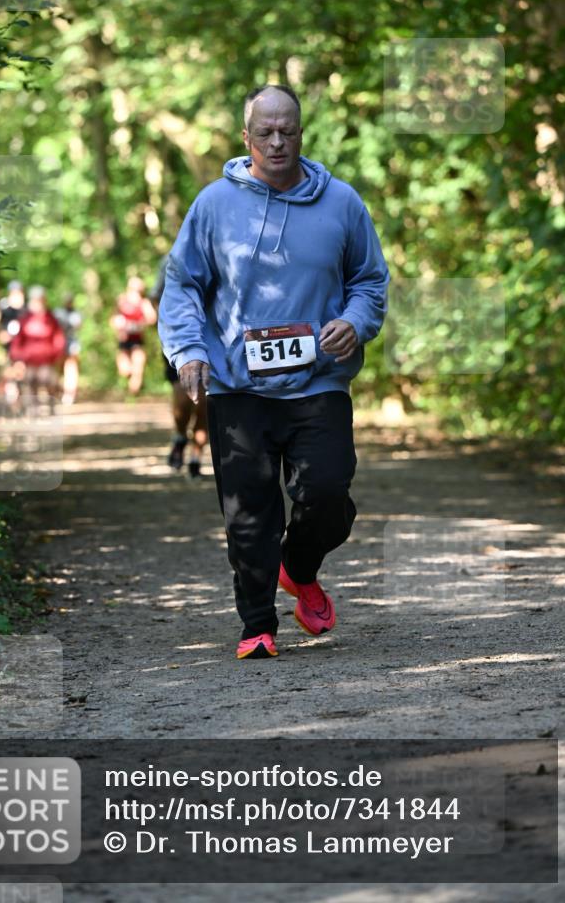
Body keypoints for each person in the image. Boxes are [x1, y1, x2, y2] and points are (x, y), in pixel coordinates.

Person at [159, 84, 390, 660]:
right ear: (247, 138)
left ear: (302, 133)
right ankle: (257, 625)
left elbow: (369, 280)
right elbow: (182, 285)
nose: (277, 141)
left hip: (320, 380)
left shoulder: (342, 202)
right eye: (265, 132)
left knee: (328, 493)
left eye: (287, 130)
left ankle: (299, 566)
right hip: (238, 386)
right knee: (248, 514)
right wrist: (189, 351)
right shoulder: (214, 204)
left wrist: (354, 322)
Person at [150, 254, 208, 479]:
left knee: (205, 402)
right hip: (180, 339)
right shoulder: (171, 260)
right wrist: (167, 325)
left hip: (212, 339)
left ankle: (196, 457)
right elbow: (155, 297)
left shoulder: (221, 253)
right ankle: (179, 436)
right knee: (184, 400)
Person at [9, 286, 65, 408]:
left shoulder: (50, 318)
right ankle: (33, 408)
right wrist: (17, 357)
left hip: (47, 359)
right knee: (31, 381)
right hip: (29, 359)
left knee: (48, 380)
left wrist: (58, 353)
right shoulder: (25, 319)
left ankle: (51, 405)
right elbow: (18, 340)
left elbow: (58, 337)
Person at [111, 275, 157, 397]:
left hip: (138, 340)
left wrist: (142, 323)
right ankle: (132, 384)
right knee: (124, 370)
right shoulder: (122, 300)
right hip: (124, 339)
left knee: (138, 368)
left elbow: (152, 318)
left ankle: (133, 394)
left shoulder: (144, 302)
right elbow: (113, 318)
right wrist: (118, 323)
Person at [54, 294, 82, 406]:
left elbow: (78, 326)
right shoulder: (58, 313)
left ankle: (69, 394)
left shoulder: (76, 314)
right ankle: (58, 392)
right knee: (58, 369)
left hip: (72, 343)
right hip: (58, 343)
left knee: (71, 367)